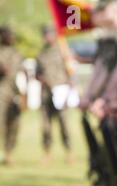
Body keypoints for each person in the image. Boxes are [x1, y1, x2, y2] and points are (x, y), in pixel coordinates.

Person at [36, 26, 73, 163]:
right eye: (46, 34)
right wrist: (42, 79)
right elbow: (37, 73)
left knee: (64, 124)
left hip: (61, 93)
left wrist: (69, 92)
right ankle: (47, 153)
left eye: (50, 34)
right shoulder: (41, 54)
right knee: (46, 126)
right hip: (46, 94)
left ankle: (69, 152)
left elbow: (70, 73)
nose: (48, 37)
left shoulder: (63, 51)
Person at [0, 26, 24, 165]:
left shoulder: (17, 53)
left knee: (14, 124)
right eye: (8, 35)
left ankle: (9, 153)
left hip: (15, 93)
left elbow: (22, 72)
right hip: (1, 93)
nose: (11, 37)